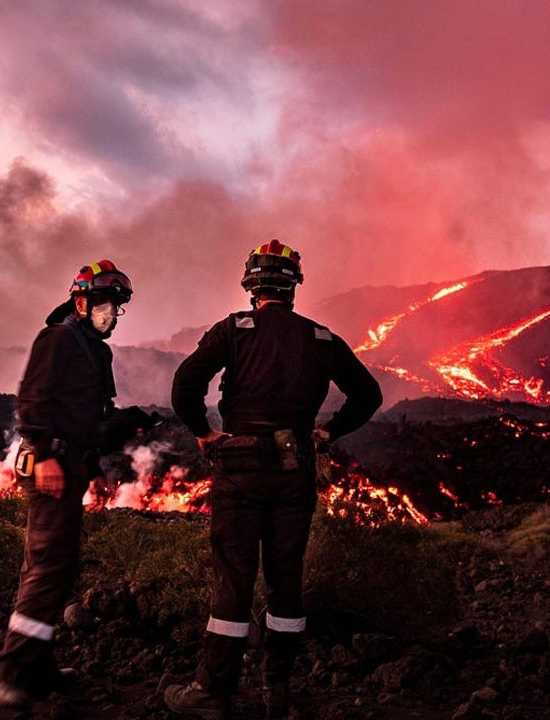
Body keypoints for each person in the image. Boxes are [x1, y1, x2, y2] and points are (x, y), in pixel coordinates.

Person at [164, 240, 383, 720]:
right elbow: (368, 394)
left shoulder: (234, 330)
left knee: (234, 578)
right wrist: (328, 431)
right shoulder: (321, 337)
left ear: (251, 285)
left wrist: (204, 434)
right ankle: (276, 691)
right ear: (293, 287)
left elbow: (185, 386)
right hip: (294, 471)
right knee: (286, 579)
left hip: (239, 469)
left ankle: (212, 692)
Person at [0, 259, 133, 709]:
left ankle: (39, 668)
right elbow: (32, 397)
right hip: (50, 464)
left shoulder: (96, 350)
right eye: (105, 302)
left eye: (117, 305)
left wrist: (124, 430)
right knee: (50, 565)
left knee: (55, 566)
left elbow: (93, 416)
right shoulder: (59, 338)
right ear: (82, 301)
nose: (112, 312)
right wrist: (43, 452)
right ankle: (8, 675)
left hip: (72, 467)